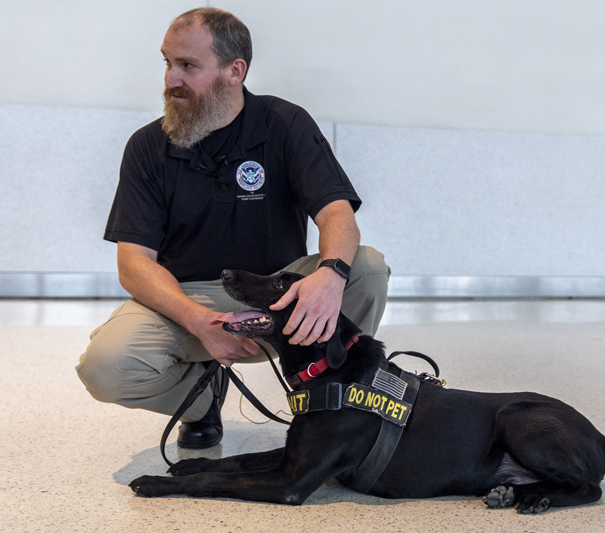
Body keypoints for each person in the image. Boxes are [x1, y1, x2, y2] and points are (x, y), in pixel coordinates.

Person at [76, 7, 390, 449]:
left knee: (367, 268)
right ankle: (203, 400)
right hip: (183, 299)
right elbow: (133, 264)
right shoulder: (147, 147)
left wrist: (330, 274)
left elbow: (336, 211)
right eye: (167, 63)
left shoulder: (284, 124)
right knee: (105, 367)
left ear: (234, 71)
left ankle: (336, 398)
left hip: (275, 292)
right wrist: (199, 320)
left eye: (188, 66)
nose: (170, 79)